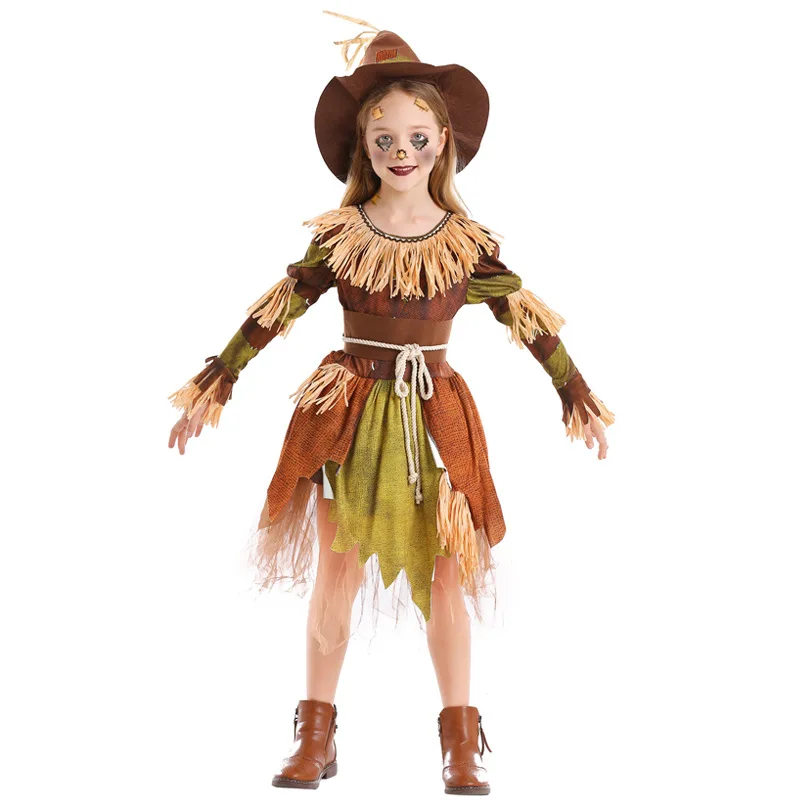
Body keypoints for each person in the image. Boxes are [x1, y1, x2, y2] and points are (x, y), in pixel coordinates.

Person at [167, 11, 614, 795]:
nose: (401, 151)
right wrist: (218, 378)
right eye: (385, 139)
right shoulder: (344, 234)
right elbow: (281, 304)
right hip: (346, 416)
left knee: (446, 577)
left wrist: (572, 388)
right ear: (363, 147)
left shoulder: (464, 243)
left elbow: (525, 316)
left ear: (442, 141)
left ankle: (461, 741)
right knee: (335, 572)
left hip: (434, 421)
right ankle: (316, 734)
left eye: (415, 137)